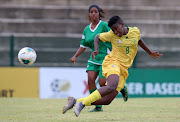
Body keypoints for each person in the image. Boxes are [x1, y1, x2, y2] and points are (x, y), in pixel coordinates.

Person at [62, 15, 163, 117]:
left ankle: (75, 101)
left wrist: (149, 52)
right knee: (111, 86)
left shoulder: (135, 31)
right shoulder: (111, 35)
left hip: (124, 68)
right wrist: (96, 49)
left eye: (116, 29)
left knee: (107, 100)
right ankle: (82, 104)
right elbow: (97, 37)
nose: (115, 32)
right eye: (113, 30)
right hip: (113, 62)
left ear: (122, 25)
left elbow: (139, 40)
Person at [68, 5, 128, 112]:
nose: (94, 14)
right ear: (89, 14)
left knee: (102, 83)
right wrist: (75, 56)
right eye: (92, 12)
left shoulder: (104, 25)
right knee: (90, 79)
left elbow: (117, 31)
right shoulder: (86, 29)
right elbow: (83, 46)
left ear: (99, 14)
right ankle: (98, 107)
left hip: (107, 58)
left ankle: (121, 87)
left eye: (96, 12)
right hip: (94, 58)